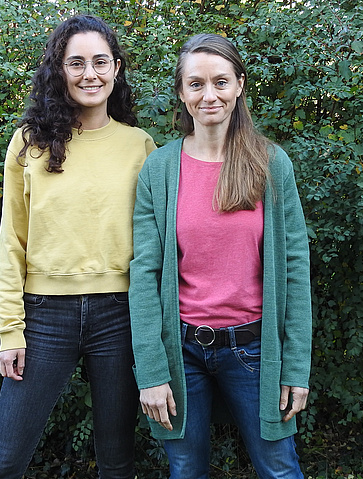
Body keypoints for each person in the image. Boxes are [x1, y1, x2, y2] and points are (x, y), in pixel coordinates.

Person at [129, 33, 313, 479]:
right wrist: (151, 372)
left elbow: (294, 267)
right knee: (186, 470)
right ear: (181, 92)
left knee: (279, 469)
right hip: (183, 352)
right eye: (196, 84)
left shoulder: (270, 164)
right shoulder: (160, 169)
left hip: (254, 351)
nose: (209, 95)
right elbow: (145, 273)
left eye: (220, 82)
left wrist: (296, 368)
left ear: (240, 86)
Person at [0, 15, 156, 479]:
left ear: (116, 69)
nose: (89, 74)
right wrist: (9, 330)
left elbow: (155, 246)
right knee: (3, 462)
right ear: (58, 70)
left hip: (119, 315)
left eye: (100, 62)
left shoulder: (140, 146)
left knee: (117, 463)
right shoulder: (28, 143)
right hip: (43, 318)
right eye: (75, 63)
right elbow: (11, 242)